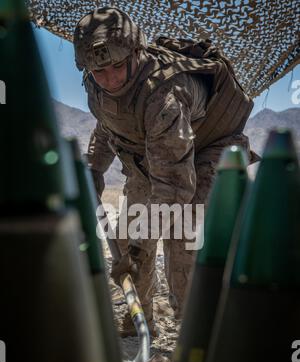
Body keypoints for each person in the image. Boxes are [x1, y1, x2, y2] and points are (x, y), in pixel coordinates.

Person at [73, 6, 257, 337]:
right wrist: (94, 169)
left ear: (135, 54)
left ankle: (196, 331)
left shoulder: (165, 95)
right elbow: (107, 124)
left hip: (207, 149)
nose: (110, 79)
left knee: (182, 237)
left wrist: (143, 249)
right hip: (155, 155)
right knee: (128, 236)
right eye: (100, 71)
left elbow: (174, 188)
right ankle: (139, 321)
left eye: (117, 67)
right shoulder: (95, 83)